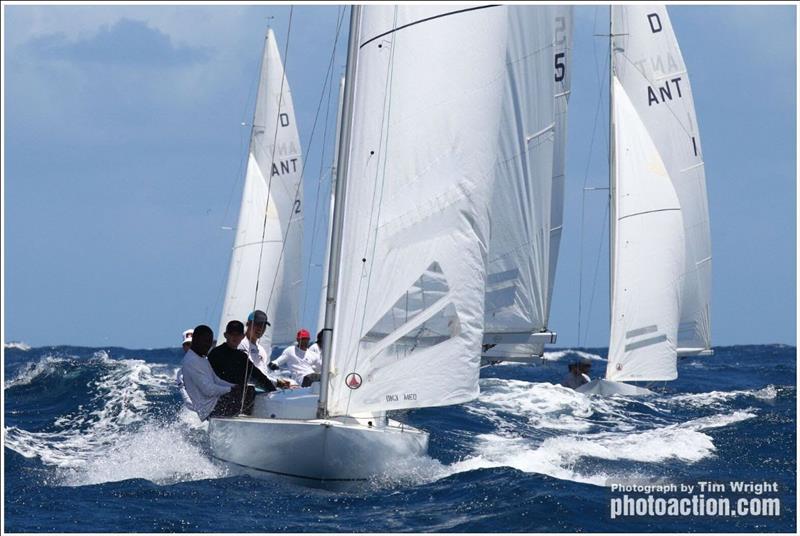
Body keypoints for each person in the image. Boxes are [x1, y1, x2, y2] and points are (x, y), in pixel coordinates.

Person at [177, 324, 238, 421]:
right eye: (187, 344)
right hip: (202, 410)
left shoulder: (203, 359)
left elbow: (216, 380)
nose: (208, 345)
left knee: (247, 391)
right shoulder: (187, 366)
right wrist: (231, 390)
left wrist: (235, 386)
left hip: (210, 404)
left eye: (209, 341)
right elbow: (207, 391)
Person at [208, 320, 277, 396]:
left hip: (237, 398)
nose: (235, 337)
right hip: (219, 397)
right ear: (225, 335)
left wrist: (273, 390)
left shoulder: (242, 357)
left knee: (250, 390)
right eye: (232, 334)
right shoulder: (216, 353)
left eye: (238, 335)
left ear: (242, 336)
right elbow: (209, 378)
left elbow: (257, 375)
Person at [238, 310, 289, 388]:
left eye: (263, 325)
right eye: (257, 324)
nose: (260, 328)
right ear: (248, 324)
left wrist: (279, 382)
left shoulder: (261, 350)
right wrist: (277, 383)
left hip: (263, 387)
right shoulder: (240, 343)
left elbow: (264, 373)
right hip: (249, 388)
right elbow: (250, 373)